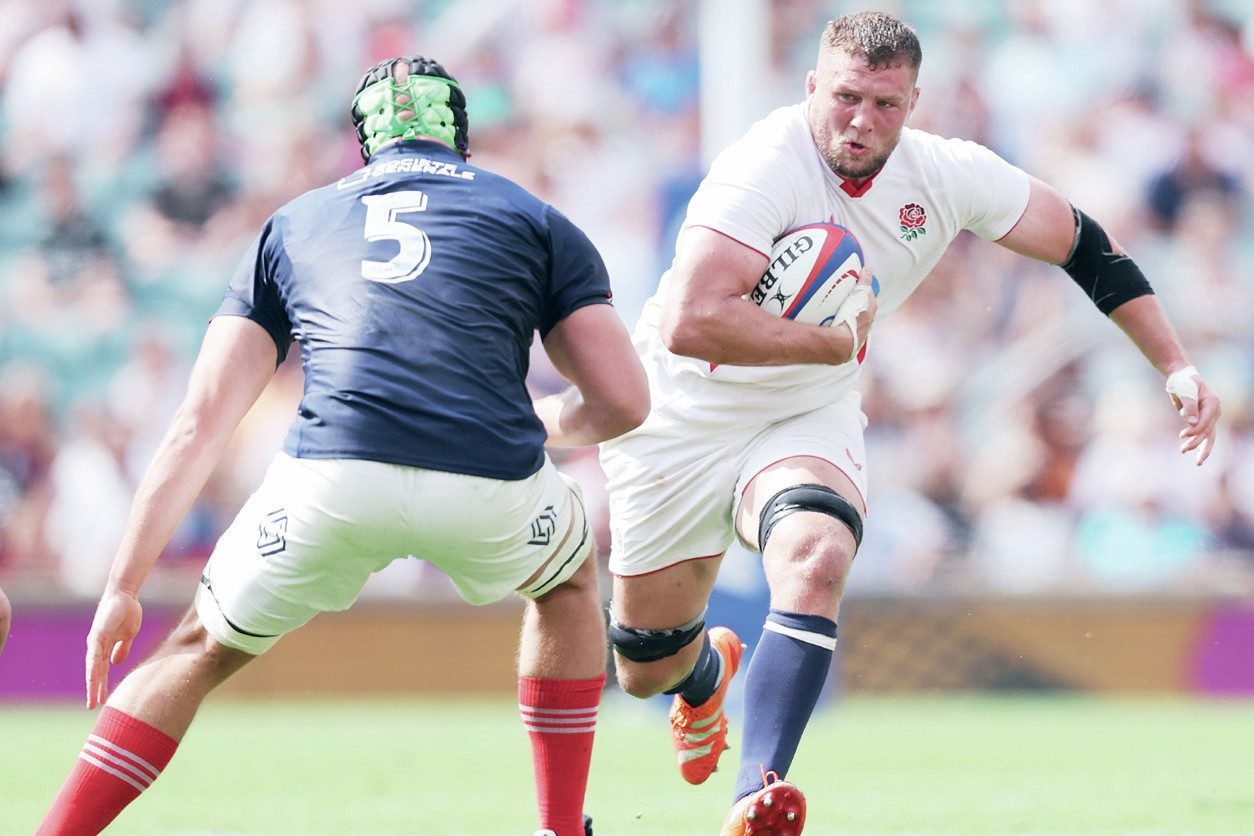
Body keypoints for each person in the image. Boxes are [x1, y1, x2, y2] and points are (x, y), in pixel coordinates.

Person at [599, 12, 1221, 835]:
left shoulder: (945, 176)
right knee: (646, 666)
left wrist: (1174, 365)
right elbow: (687, 322)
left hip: (800, 411)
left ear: (914, 101)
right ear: (813, 86)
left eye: (886, 105)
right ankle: (705, 676)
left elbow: (1086, 247)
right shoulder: (762, 166)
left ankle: (758, 790)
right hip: (682, 414)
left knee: (817, 555)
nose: (863, 121)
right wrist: (828, 343)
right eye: (848, 97)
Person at [39, 56, 647, 836]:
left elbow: (199, 423)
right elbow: (626, 401)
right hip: (487, 480)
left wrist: (123, 586)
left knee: (193, 648)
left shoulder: (293, 222)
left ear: (362, 143)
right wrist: (548, 424)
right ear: (462, 135)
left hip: (331, 479)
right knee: (565, 588)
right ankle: (561, 828)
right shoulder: (536, 217)